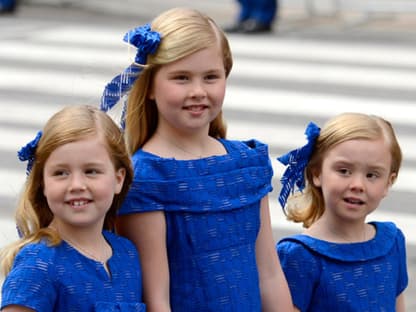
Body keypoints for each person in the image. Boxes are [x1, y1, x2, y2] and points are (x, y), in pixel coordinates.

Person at [100, 7, 293, 311]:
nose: (198, 91)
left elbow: (268, 273)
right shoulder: (147, 178)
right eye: (181, 78)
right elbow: (156, 298)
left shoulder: (246, 164)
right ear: (149, 86)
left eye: (211, 77)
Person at [0, 105, 146, 311]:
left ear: (118, 179)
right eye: (61, 173)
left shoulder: (127, 254)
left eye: (91, 171)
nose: (77, 184)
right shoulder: (38, 264)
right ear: (42, 182)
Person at [275, 112, 408, 312]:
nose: (357, 185)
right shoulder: (299, 255)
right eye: (344, 171)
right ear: (317, 173)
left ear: (388, 183)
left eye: (372, 175)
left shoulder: (392, 242)